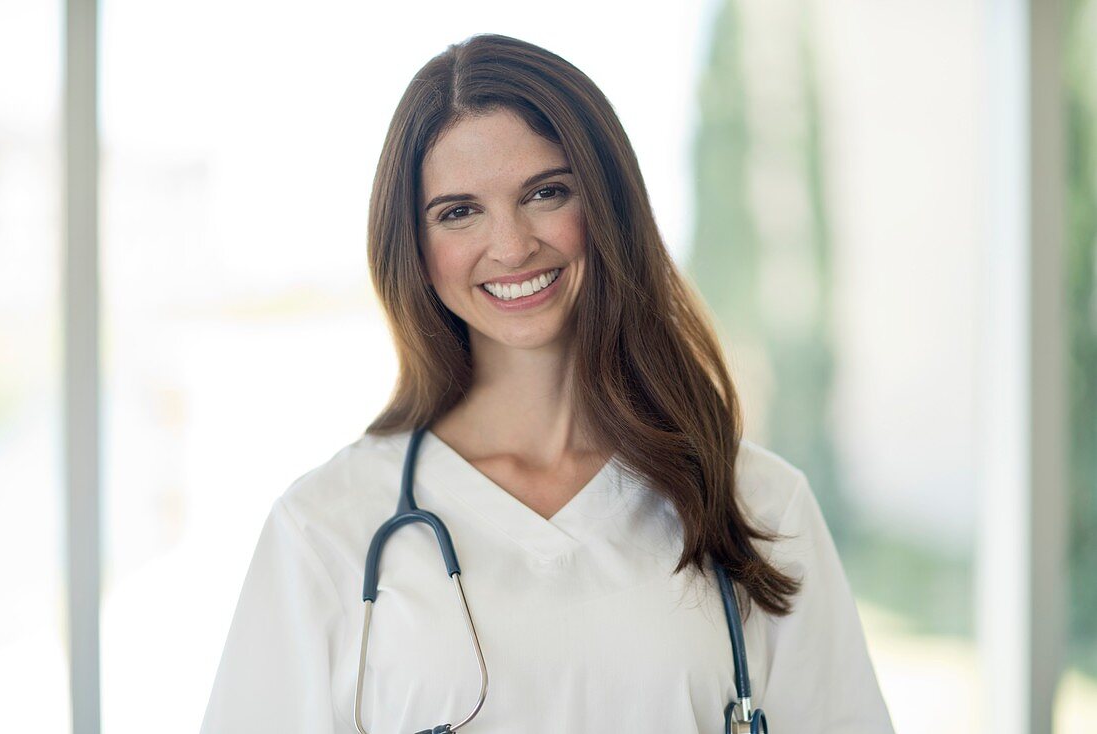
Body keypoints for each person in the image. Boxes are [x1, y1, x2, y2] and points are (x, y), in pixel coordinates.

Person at [199, 33, 894, 733]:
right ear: (413, 243)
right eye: (459, 211)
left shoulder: (759, 505)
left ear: (608, 205)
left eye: (547, 193)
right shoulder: (327, 528)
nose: (511, 245)